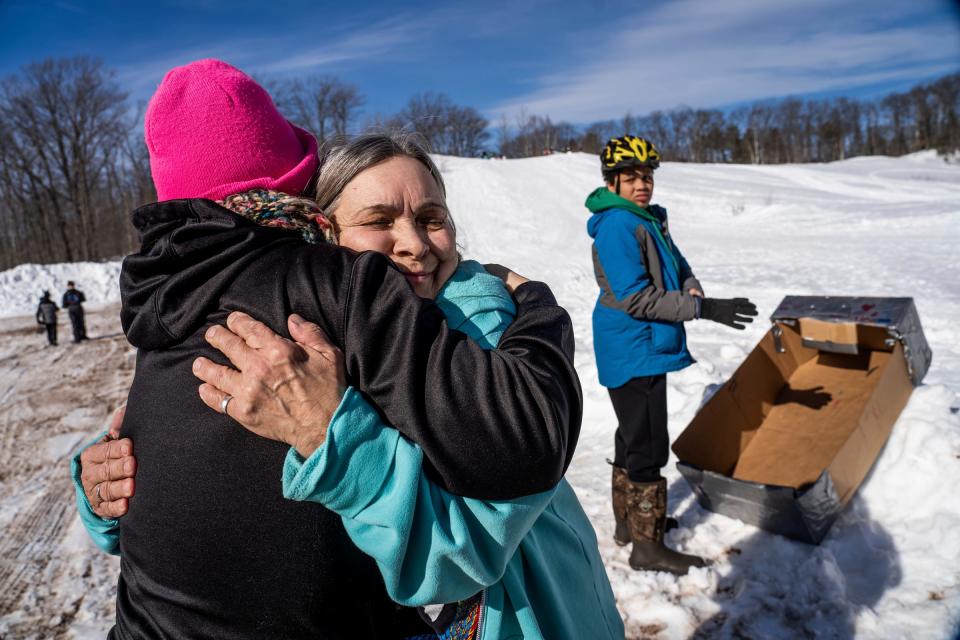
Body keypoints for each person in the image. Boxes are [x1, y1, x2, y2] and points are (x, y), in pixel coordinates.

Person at [70, 59, 581, 639]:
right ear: (322, 227)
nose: (413, 245)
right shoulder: (323, 303)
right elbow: (187, 472)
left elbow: (481, 519)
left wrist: (328, 436)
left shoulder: (171, 293)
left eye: (433, 218)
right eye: (378, 220)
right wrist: (104, 475)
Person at [587, 135, 757, 575]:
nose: (642, 184)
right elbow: (636, 298)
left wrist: (691, 283)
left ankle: (631, 526)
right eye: (631, 177)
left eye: (646, 176)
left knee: (631, 436)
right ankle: (648, 548)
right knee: (646, 444)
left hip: (644, 343)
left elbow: (676, 263)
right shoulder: (618, 225)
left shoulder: (648, 218)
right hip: (633, 343)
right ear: (613, 181)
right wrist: (705, 308)